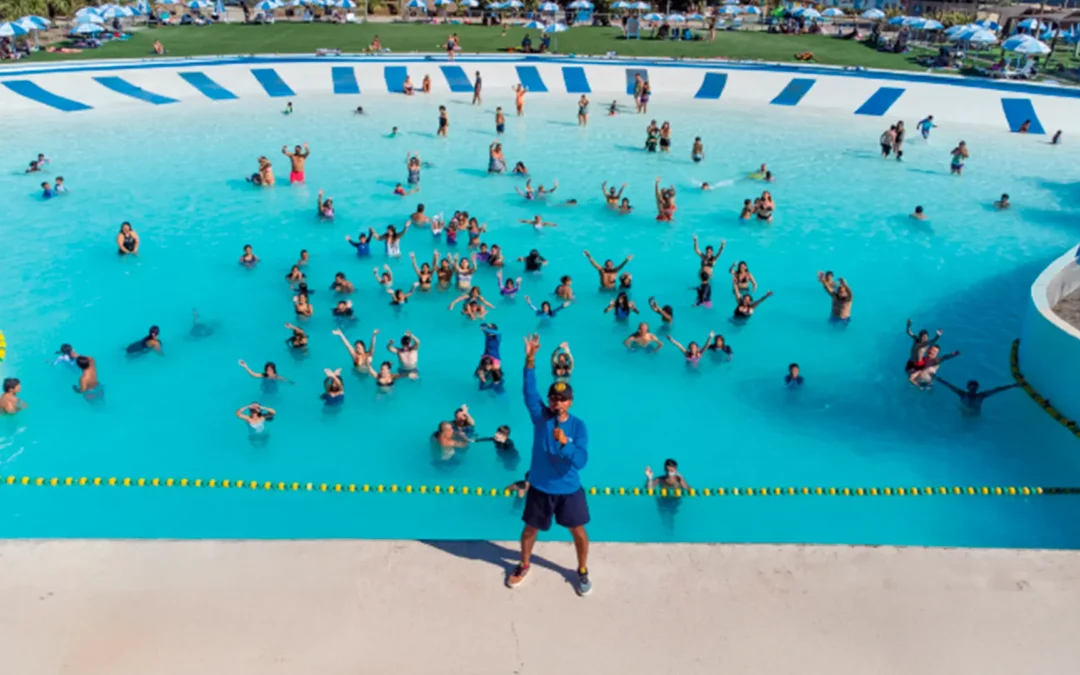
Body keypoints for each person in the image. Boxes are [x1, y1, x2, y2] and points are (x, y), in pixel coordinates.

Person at [507, 334, 592, 596]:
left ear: (571, 401)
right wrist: (530, 358)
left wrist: (566, 443)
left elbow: (582, 461)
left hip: (568, 489)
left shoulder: (578, 426)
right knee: (530, 530)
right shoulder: (540, 418)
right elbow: (529, 392)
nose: (558, 403)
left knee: (578, 531)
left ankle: (582, 570)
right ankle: (524, 564)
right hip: (541, 488)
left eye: (563, 399)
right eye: (554, 399)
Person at [936, 378, 1019, 414]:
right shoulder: (962, 394)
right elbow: (949, 385)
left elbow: (997, 389)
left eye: (975, 388)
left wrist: (1012, 386)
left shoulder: (981, 396)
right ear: (968, 388)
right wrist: (938, 379)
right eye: (971, 387)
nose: (973, 389)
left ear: (977, 389)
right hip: (964, 415)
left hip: (975, 416)